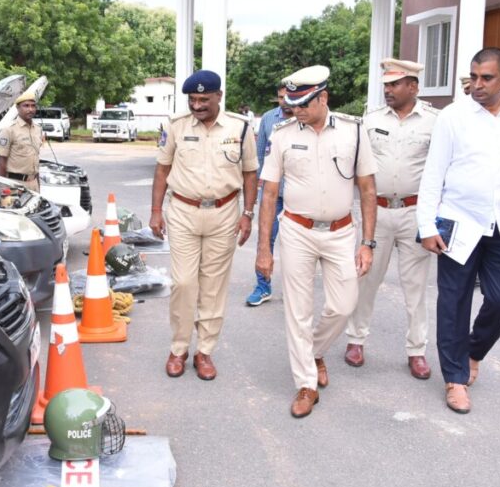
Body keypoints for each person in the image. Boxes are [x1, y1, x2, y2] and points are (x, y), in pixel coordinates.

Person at [417, 47, 500, 414]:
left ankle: (474, 351)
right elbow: (434, 173)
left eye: (486, 78)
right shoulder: (453, 117)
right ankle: (455, 379)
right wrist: (427, 224)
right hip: (459, 222)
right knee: (454, 302)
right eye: (473, 76)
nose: (477, 85)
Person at [255, 65, 377, 418]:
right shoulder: (282, 134)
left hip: (341, 232)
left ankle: (315, 350)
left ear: (323, 98)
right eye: (292, 103)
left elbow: (367, 189)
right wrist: (264, 248)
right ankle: (306, 384)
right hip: (296, 230)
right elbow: (270, 193)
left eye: (304, 103)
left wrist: (367, 242)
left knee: (343, 304)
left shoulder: (354, 132)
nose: (296, 110)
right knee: (298, 310)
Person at [150, 69, 258, 381]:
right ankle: (179, 347)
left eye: (203, 99)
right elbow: (162, 170)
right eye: (192, 99)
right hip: (183, 210)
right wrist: (156, 211)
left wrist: (247, 213)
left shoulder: (240, 128)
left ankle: (205, 351)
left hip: (225, 213)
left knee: (213, 287)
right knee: (183, 283)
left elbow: (250, 173)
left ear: (219, 96)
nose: (197, 105)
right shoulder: (175, 127)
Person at [345, 59, 439, 379]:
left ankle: (417, 350)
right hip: (377, 212)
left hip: (415, 213)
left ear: (413, 86)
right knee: (366, 278)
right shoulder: (370, 120)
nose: (388, 89)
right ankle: (356, 340)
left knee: (416, 287)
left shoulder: (433, 121)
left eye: (394, 84)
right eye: (386, 84)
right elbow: (356, 164)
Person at [246, 83, 293, 306]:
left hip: (297, 195)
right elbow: (259, 159)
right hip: (272, 194)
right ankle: (262, 287)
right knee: (266, 239)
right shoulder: (267, 118)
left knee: (296, 244)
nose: (284, 101)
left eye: (287, 97)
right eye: (280, 97)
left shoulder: (305, 118)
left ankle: (295, 290)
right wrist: (255, 192)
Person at [0, 91, 44, 190]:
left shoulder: (38, 129)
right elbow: (1, 161)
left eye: (33, 106)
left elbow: (35, 159)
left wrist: (38, 186)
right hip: (15, 184)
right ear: (17, 108)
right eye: (26, 106)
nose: (30, 109)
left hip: (34, 183)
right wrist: (3, 189)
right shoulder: (9, 130)